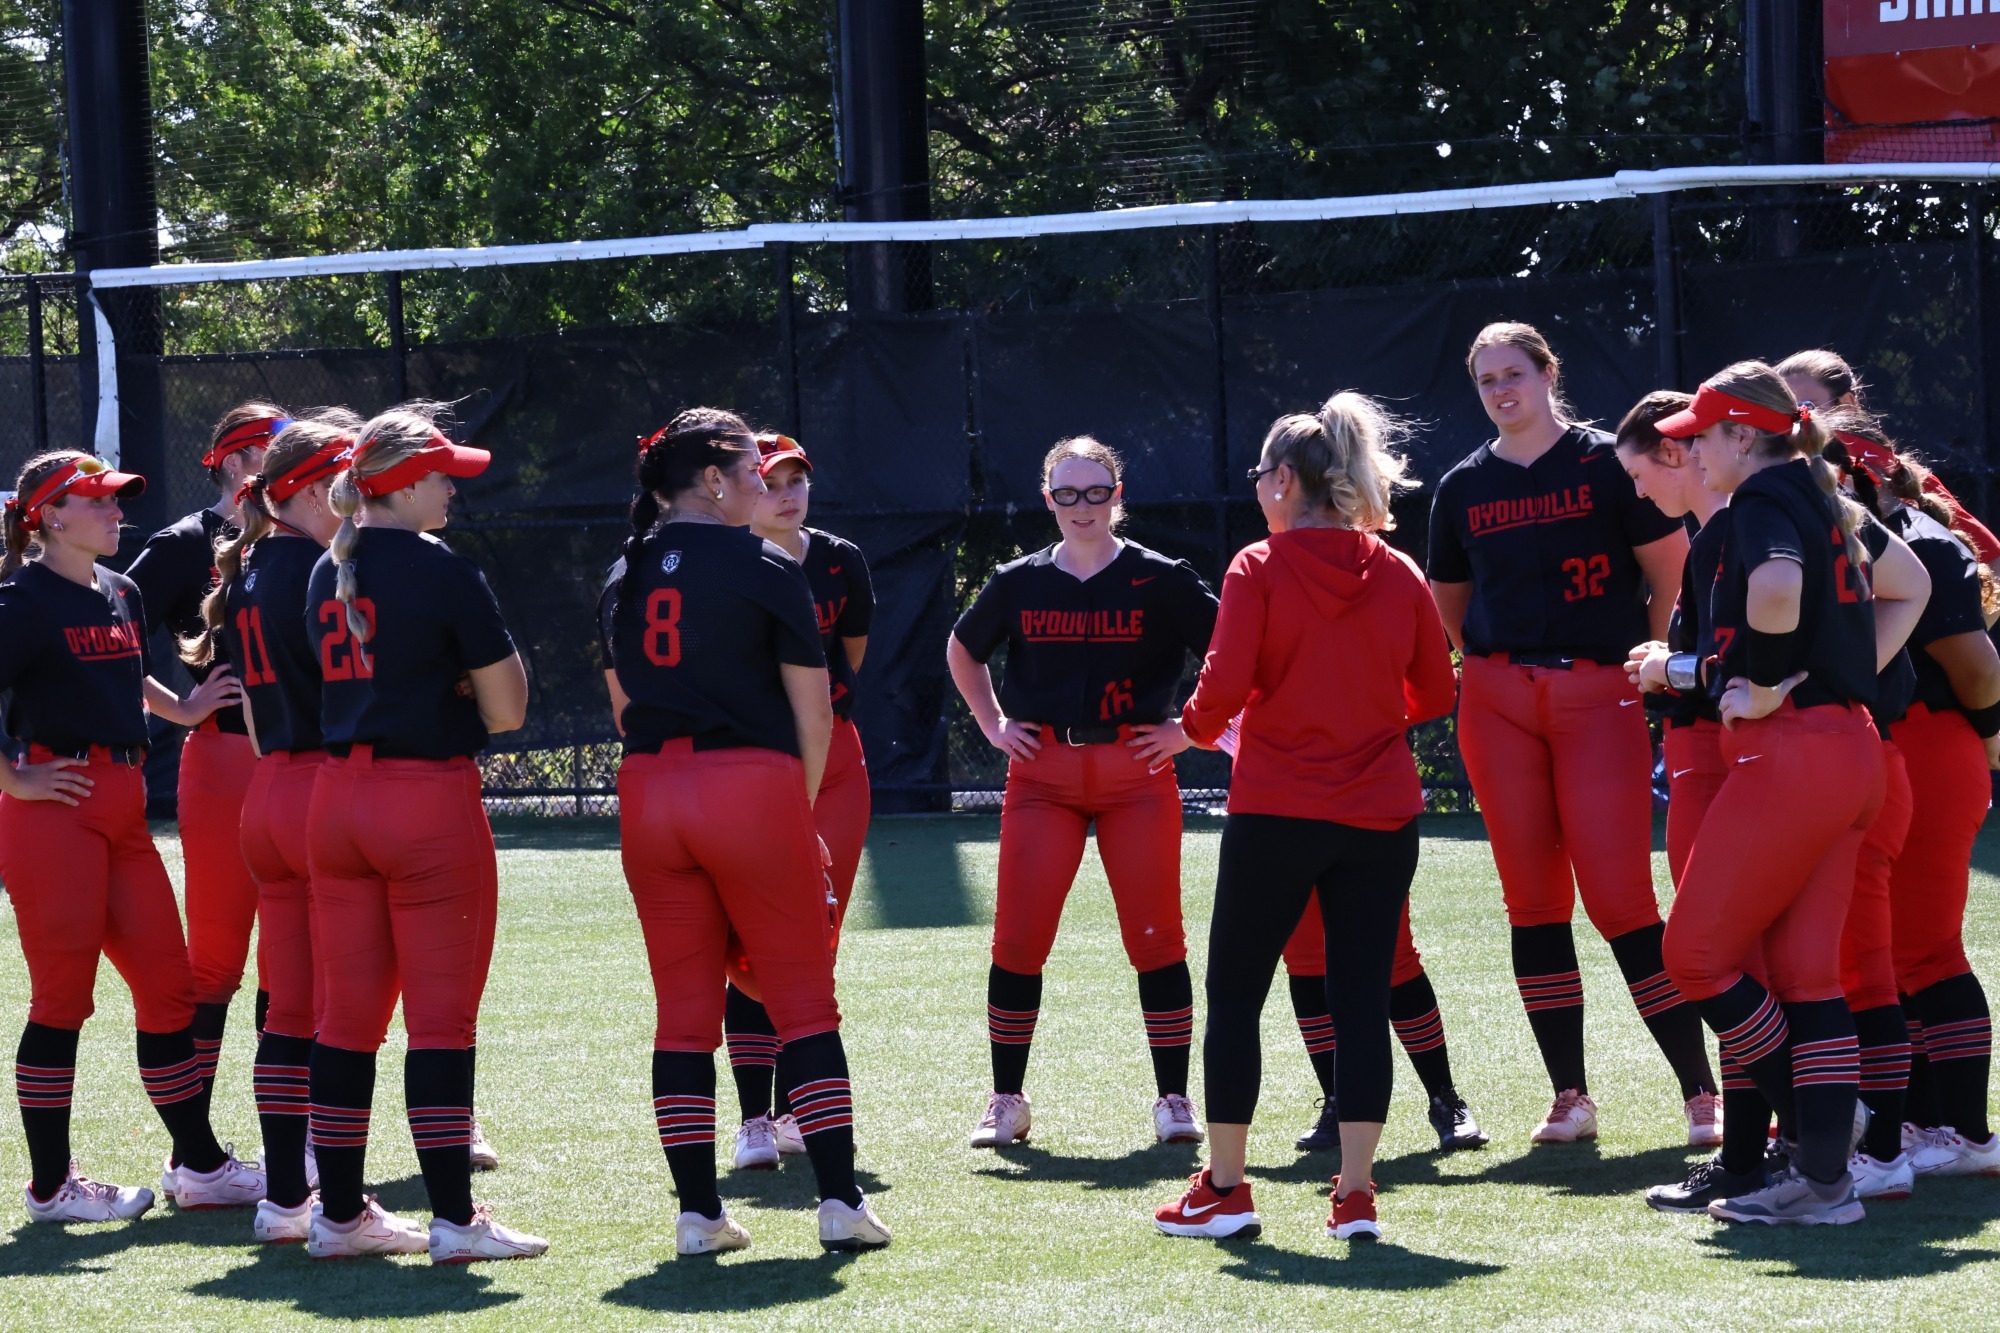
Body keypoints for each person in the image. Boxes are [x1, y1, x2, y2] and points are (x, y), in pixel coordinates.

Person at [1154, 393, 1456, 1243]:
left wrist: (1194, 731)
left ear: (1285, 478)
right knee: (1363, 1000)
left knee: (1236, 996)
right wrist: (1363, 711)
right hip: (1380, 812)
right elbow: (1437, 691)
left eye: (1260, 473)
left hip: (1279, 806)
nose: (1257, 487)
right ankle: (1356, 1197)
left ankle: (1224, 1188)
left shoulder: (1260, 565)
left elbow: (1217, 693)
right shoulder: (1397, 571)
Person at [602, 407, 892, 1257]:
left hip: (651, 790)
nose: (765, 482)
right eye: (749, 468)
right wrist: (795, 817)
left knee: (683, 1015)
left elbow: (625, 709)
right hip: (750, 786)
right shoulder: (767, 562)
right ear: (715, 481)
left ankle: (698, 1213)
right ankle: (838, 1199)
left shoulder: (623, 571)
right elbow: (816, 716)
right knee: (803, 997)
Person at [1427, 323, 1716, 1146]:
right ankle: (1570, 1094)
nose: (1500, 390)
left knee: (1623, 897)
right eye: (1485, 379)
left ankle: (1701, 1092)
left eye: (1514, 372)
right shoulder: (1461, 486)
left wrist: (1641, 665)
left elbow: (1671, 579)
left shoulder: (1606, 462)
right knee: (1533, 901)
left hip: (1600, 687)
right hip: (1498, 695)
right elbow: (1452, 610)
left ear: (1549, 372)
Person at [1653, 361, 1906, 1225]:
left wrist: (1765, 683)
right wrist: (1823, 675)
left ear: (1741, 436)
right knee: (1806, 974)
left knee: (1693, 955)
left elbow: (1775, 589)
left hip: (1795, 751)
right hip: (1852, 751)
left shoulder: (1764, 500)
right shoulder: (1819, 490)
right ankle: (1828, 1184)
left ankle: (1812, 1127)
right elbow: (1906, 582)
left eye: (1700, 435)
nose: (1689, 449)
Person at [302, 405, 547, 1263]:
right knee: (440, 1022)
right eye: (442, 473)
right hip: (424, 801)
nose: (451, 487)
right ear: (401, 482)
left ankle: (336, 1216)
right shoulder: (439, 567)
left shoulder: (325, 565)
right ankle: (453, 1219)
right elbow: (509, 709)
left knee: (345, 1021)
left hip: (336, 802)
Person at [0, 450, 266, 1222]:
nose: (118, 512)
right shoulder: (20, 598)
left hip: (120, 809)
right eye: (99, 500)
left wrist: (182, 709)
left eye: (118, 498)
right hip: (56, 807)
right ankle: (52, 1187)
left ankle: (202, 1164)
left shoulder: (119, 588)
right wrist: (14, 779)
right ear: (48, 514)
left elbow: (123, 673)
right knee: (61, 999)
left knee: (170, 987)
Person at [947, 436, 1218, 1150]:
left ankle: (1173, 1098)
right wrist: (994, 722)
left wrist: (1188, 730)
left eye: (1096, 491)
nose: (1082, 507)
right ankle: (1006, 1098)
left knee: (1157, 936)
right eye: (1067, 494)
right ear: (1048, 500)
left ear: (1118, 494)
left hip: (1137, 774)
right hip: (1043, 778)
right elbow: (962, 647)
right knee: (1019, 938)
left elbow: (1235, 653)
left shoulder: (1161, 578)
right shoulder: (1019, 579)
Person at [184, 413, 357, 1241]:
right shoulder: (317, 569)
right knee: (335, 1003)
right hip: (323, 786)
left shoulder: (251, 564)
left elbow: (256, 716)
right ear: (319, 486)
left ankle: (285, 1197)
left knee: (287, 1007)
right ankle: (338, 1193)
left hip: (271, 788)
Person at [1618, 392, 1764, 1211]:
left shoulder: (1736, 529)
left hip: (1732, 759)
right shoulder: (1726, 533)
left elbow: (1739, 662)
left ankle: (1819, 1132)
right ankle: (1766, 1149)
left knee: (1713, 956)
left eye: (1644, 471)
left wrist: (1672, 669)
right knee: (1737, 957)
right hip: (1734, 757)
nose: (1642, 493)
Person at [1845, 427, 2000, 1178]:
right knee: (1887, 950)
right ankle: (1919, 1119)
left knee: (1924, 948)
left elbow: (1977, 668)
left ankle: (1965, 1130)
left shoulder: (1918, 542)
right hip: (1885, 742)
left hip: (1929, 741)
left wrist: (1995, 734)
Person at [724, 432, 876, 1170]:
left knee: (816, 937)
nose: (787, 492)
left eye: (797, 478)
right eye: (771, 478)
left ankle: (794, 1110)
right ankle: (754, 1117)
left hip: (834, 762)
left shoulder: (842, 560)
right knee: (745, 942)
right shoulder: (725, 563)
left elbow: (845, 662)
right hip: (755, 763)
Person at [126, 403, 281, 1124]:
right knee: (216, 959)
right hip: (222, 758)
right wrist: (181, 705)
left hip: (298, 763)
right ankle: (198, 1144)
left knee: (295, 959)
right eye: (268, 448)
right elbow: (101, 631)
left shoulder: (304, 534)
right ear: (229, 460)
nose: (282, 460)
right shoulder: (187, 540)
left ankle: (298, 1136)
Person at [1280, 897, 1487, 1154]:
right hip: (1289, 856)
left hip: (1369, 855)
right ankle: (1337, 1105)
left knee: (1393, 955)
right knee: (1305, 957)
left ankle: (1444, 1099)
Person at [1776, 349, 2000, 567]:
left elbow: (1992, 562)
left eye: (1806, 407)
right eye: (1782, 412)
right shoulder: (1778, 481)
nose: (1796, 420)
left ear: (1847, 404)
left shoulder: (1906, 478)